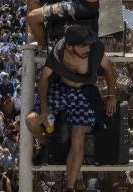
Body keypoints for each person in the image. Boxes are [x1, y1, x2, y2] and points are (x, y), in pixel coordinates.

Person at [25, 25, 118, 191]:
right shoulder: (58, 53)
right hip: (60, 88)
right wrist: (45, 108)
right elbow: (44, 79)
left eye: (89, 44)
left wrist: (111, 95)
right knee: (32, 121)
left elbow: (110, 69)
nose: (87, 48)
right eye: (83, 46)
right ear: (69, 46)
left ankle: (69, 187)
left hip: (84, 91)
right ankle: (45, 143)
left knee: (78, 137)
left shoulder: (95, 50)